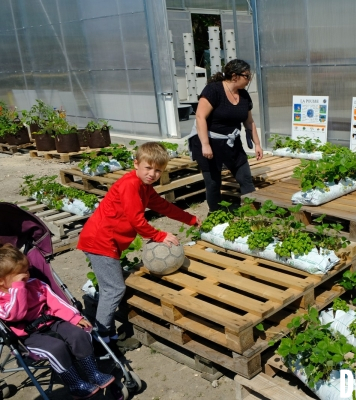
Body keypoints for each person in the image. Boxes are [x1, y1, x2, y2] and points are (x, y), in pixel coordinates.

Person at [77, 142, 200, 348]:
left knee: (111, 287)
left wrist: (191, 219)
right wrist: (159, 235)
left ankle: (104, 328)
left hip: (108, 241)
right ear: (136, 164)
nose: (152, 174)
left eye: (158, 170)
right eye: (148, 168)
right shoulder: (130, 185)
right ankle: (102, 338)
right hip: (100, 241)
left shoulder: (145, 188)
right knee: (114, 289)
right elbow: (136, 220)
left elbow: (164, 206)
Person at [0, 243, 114, 399]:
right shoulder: (2, 300)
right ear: (1, 281)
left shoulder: (36, 284)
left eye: (26, 270)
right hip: (27, 337)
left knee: (78, 335)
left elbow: (56, 303)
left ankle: (93, 373)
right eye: (21, 274)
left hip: (51, 321)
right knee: (56, 348)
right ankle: (75, 384)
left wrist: (74, 317)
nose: (27, 275)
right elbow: (15, 315)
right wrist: (18, 289)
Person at [188, 59, 263, 212]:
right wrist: (205, 144)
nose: (249, 80)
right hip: (210, 143)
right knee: (213, 183)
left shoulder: (244, 95)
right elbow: (200, 117)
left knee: (245, 178)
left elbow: (249, 122)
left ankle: (253, 214)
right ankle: (215, 216)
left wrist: (257, 144)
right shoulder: (213, 90)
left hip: (232, 143)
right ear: (235, 76)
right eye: (247, 76)